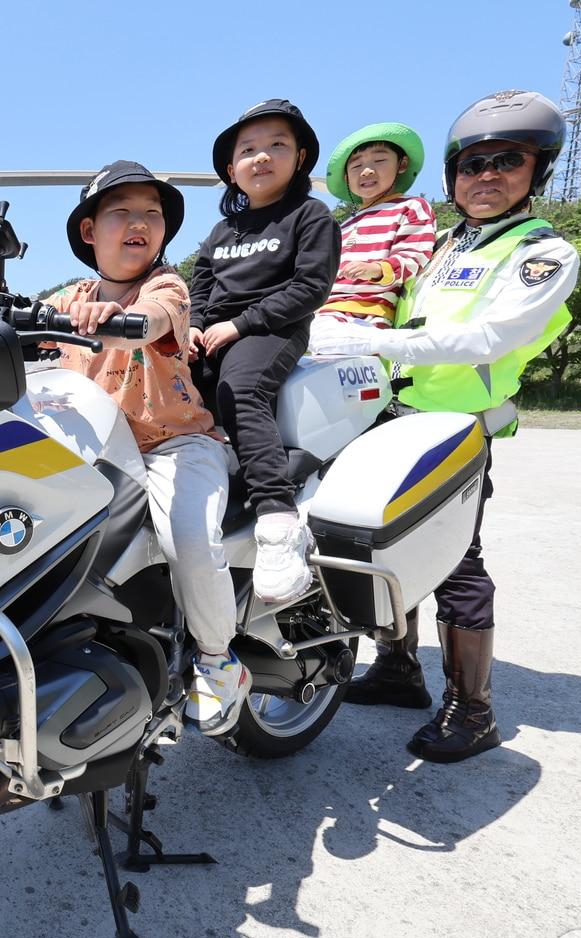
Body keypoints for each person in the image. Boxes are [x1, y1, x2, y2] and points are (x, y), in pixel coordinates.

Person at [310, 91, 579, 763]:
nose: (486, 177)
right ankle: (399, 669)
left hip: (454, 427)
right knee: (374, 543)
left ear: (536, 172)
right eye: (472, 164)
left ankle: (473, 707)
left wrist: (373, 345)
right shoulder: (439, 245)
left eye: (506, 162)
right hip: (387, 414)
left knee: (457, 560)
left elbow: (493, 335)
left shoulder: (540, 252)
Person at [46, 161, 251, 735]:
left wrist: (118, 318)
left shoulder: (165, 286)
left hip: (174, 443)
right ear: (90, 231)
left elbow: (155, 316)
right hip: (94, 453)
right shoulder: (71, 296)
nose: (139, 223)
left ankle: (217, 660)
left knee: (185, 533)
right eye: (121, 212)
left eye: (152, 214)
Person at [187, 99, 341, 604]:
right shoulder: (220, 232)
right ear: (231, 170)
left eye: (277, 145)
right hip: (217, 331)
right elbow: (201, 289)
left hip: (273, 329)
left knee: (240, 387)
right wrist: (191, 327)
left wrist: (240, 325)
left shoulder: (310, 216)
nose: (261, 157)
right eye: (248, 149)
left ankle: (277, 521)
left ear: (299, 159)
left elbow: (310, 288)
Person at [312, 123, 436, 331]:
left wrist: (377, 269)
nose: (367, 171)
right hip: (324, 311)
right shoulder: (344, 225)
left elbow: (415, 256)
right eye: (356, 166)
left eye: (379, 160)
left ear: (402, 164)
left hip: (369, 312)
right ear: (346, 177)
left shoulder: (410, 207)